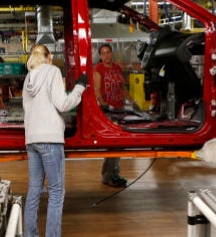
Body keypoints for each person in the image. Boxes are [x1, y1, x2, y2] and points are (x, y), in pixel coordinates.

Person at [22, 44, 87, 237]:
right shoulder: (53, 71)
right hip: (50, 139)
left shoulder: (28, 78)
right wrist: (79, 88)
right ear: (49, 56)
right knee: (56, 193)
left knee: (34, 189)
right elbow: (63, 103)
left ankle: (30, 234)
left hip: (32, 139)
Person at [93, 43, 137, 187]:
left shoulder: (117, 67)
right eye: (103, 53)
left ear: (112, 53)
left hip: (120, 108)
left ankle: (114, 173)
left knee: (120, 145)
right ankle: (107, 176)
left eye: (108, 52)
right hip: (108, 111)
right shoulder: (98, 69)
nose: (106, 55)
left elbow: (122, 88)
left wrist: (133, 102)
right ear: (100, 56)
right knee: (113, 144)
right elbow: (97, 89)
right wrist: (102, 102)